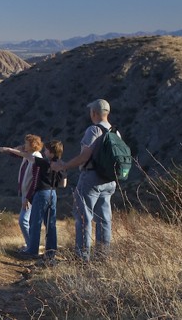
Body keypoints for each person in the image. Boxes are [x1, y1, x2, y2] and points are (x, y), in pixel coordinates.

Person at [52, 99, 118, 262]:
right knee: (104, 219)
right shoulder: (116, 132)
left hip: (91, 179)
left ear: (94, 113)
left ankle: (82, 257)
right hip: (109, 180)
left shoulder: (93, 130)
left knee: (83, 217)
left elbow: (84, 157)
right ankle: (102, 257)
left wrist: (64, 166)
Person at [0, 140, 67, 262]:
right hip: (53, 193)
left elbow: (28, 156)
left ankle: (32, 250)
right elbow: (63, 184)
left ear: (51, 153)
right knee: (50, 223)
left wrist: (10, 150)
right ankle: (51, 251)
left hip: (41, 193)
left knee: (35, 222)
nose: (44, 151)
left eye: (46, 150)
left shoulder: (45, 162)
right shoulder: (61, 165)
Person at [0, 134, 43, 252]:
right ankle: (32, 245)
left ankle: (31, 247)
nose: (24, 146)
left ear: (32, 145)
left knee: (23, 220)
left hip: (31, 194)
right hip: (26, 193)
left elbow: (34, 180)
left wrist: (8, 149)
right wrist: (17, 148)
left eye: (27, 143)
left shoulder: (35, 156)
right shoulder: (28, 155)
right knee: (29, 220)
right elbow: (18, 153)